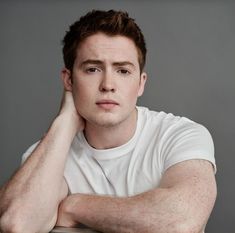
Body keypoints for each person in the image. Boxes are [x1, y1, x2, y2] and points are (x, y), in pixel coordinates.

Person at [0, 10, 216, 233]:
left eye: (123, 70)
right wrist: (64, 122)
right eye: (93, 69)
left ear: (141, 83)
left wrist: (74, 206)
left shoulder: (180, 136)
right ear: (68, 80)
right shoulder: (48, 154)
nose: (108, 84)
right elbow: (17, 224)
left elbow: (179, 223)